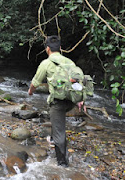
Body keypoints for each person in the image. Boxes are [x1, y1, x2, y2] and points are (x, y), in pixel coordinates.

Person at [27, 35, 87, 167]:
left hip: (58, 103)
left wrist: (30, 92)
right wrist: (80, 101)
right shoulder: (70, 62)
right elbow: (77, 81)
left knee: (59, 129)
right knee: (57, 119)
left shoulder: (46, 63)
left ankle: (62, 164)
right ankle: (53, 138)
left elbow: (35, 82)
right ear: (60, 48)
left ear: (47, 49)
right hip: (71, 101)